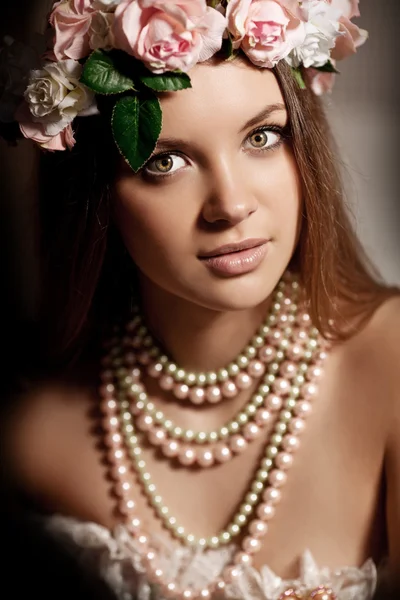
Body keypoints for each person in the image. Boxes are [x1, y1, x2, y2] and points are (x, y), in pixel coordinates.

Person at [1, 1, 400, 599]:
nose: (231, 205)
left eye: (262, 137)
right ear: (96, 196)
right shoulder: (33, 436)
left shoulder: (390, 363)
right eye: (165, 161)